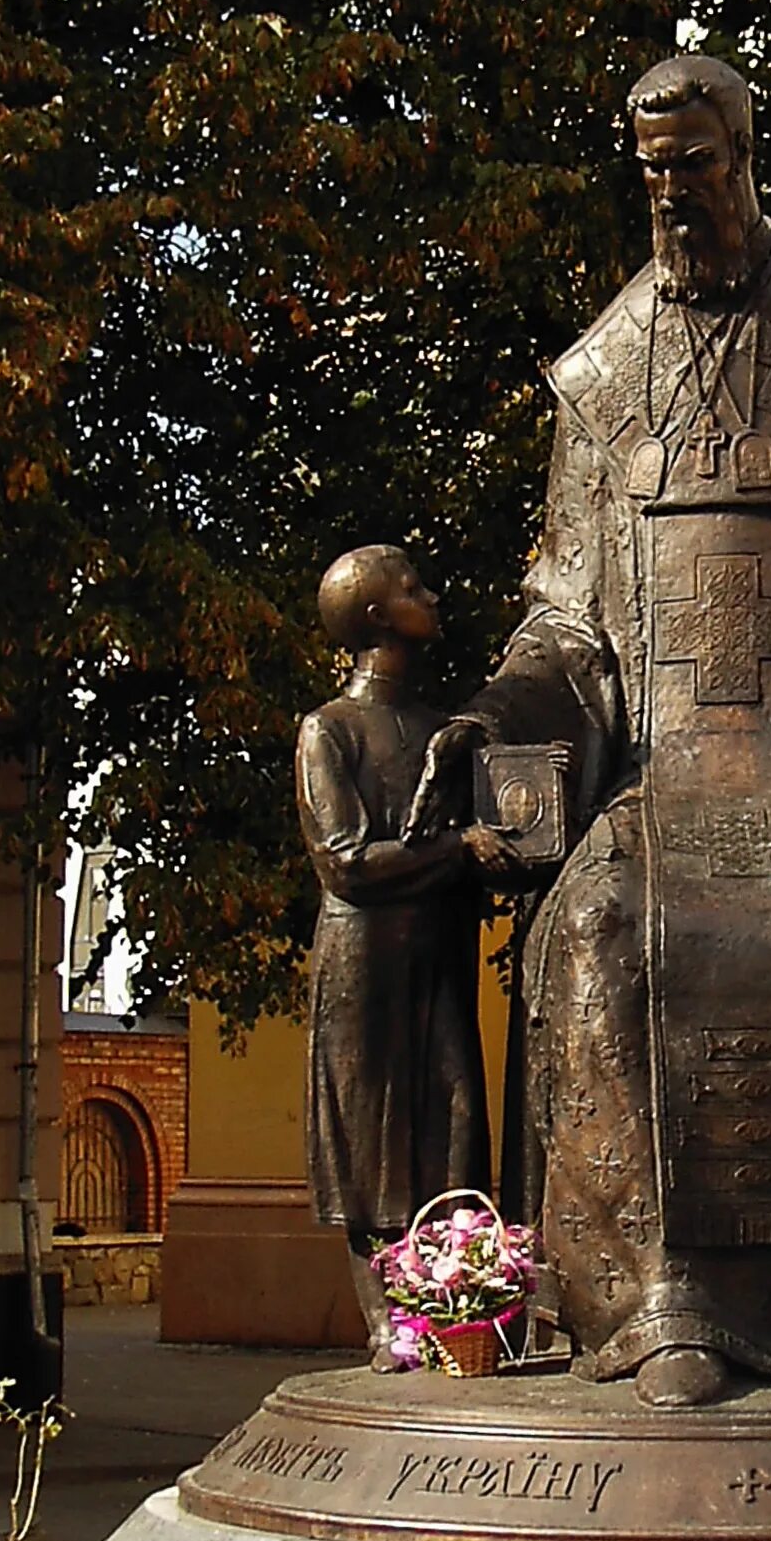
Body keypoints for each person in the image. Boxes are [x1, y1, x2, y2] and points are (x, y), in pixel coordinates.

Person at [414, 55, 771, 1405]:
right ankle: (658, 1306)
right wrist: (496, 706)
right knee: (598, 925)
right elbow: (566, 620)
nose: (671, 194)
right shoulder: (601, 380)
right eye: (648, 168)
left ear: (745, 154)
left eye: (695, 164)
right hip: (657, 777)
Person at [296, 545, 491, 1365]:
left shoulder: (438, 729)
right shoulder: (329, 731)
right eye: (412, 589)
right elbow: (345, 861)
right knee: (372, 1142)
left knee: (453, 1124)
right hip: (363, 963)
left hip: (435, 953)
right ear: (376, 618)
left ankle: (460, 1311)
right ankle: (389, 1327)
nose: (432, 595)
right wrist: (458, 848)